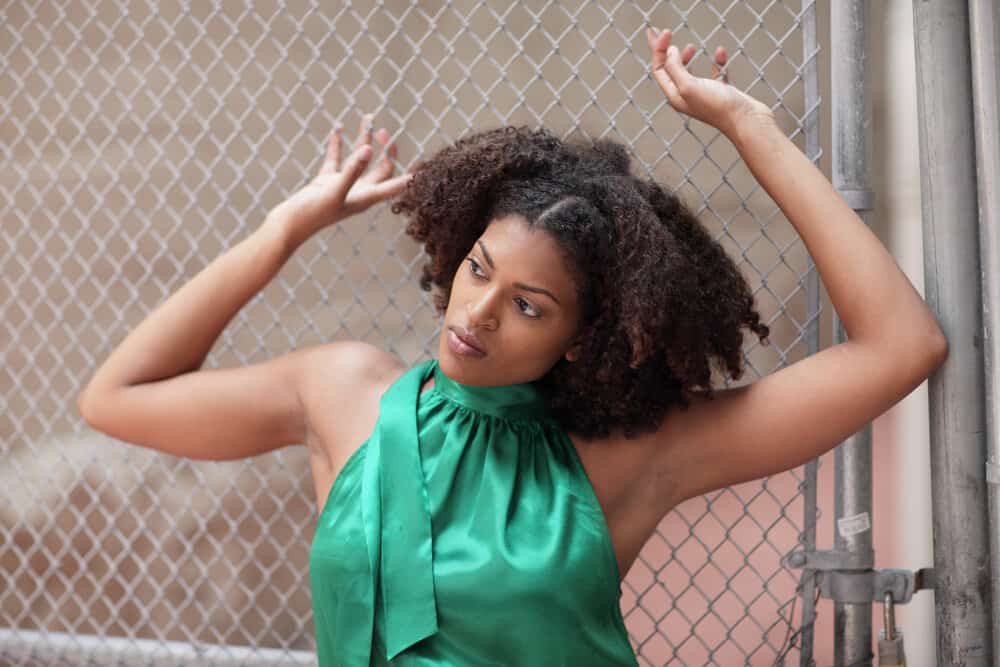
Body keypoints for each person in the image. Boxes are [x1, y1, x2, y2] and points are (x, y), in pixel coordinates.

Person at [77, 27, 948, 666]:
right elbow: (115, 397)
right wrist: (281, 231)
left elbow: (899, 345)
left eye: (529, 306)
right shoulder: (344, 391)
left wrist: (753, 131)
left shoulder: (633, 454)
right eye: (478, 268)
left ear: (583, 339)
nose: (479, 312)